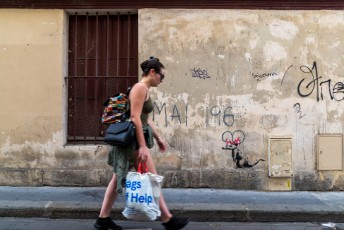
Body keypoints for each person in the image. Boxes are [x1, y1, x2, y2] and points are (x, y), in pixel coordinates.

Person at [94, 57, 190, 230]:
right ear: (152, 72)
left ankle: (103, 219)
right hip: (134, 143)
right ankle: (168, 219)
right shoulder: (140, 88)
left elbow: (145, 119)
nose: (162, 80)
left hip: (135, 141)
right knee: (151, 180)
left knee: (117, 179)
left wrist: (158, 137)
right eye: (162, 76)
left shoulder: (143, 89)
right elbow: (135, 118)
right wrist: (143, 146)